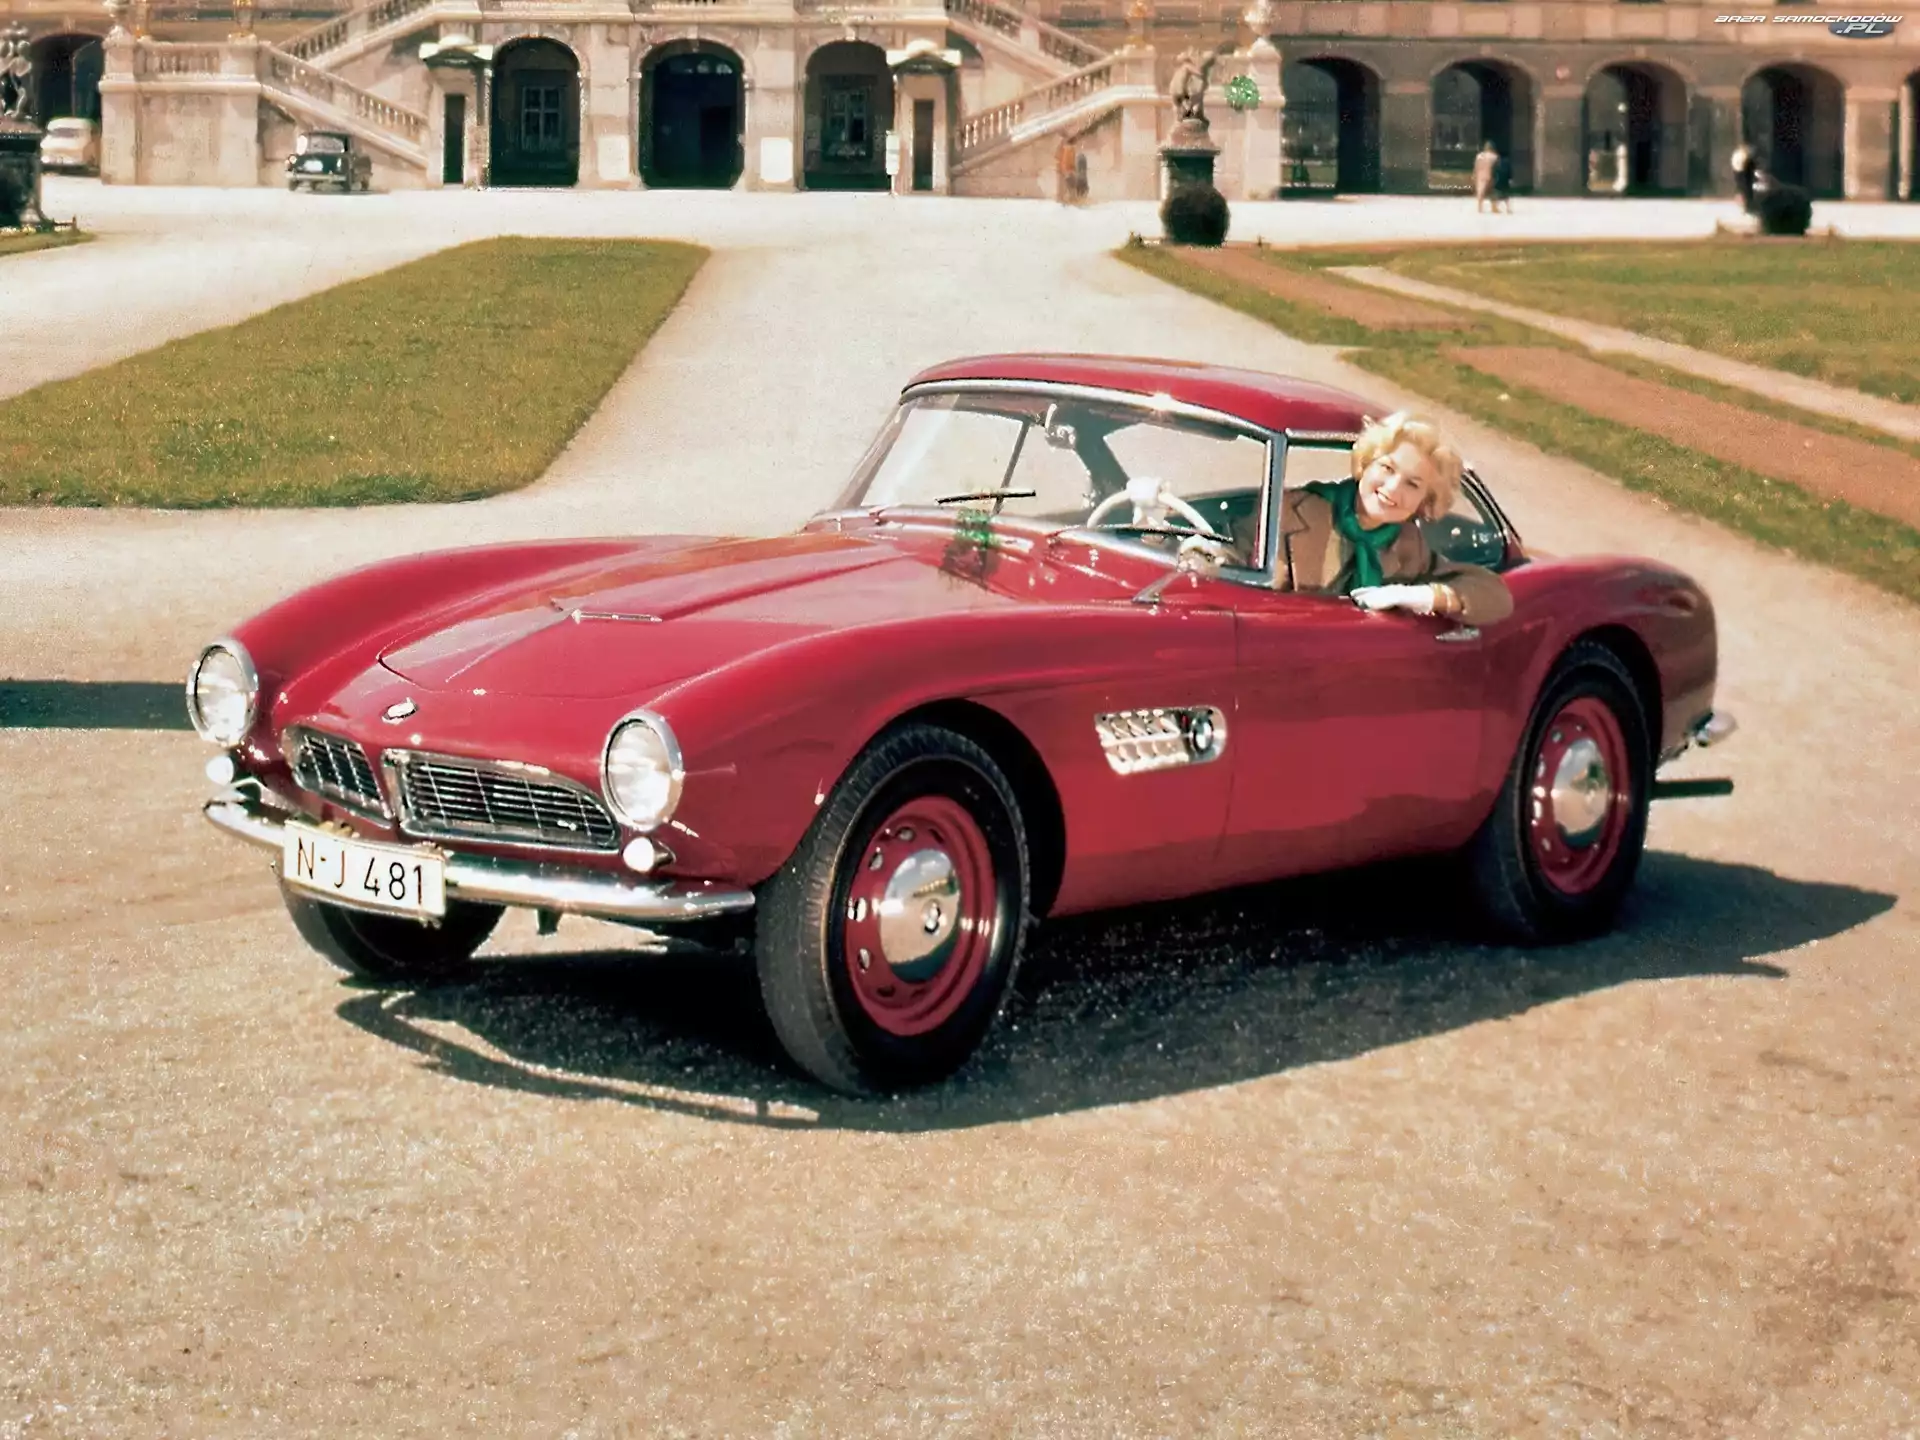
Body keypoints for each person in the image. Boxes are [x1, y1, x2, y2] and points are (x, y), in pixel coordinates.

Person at [1281, 412, 1514, 626]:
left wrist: (1425, 596)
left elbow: (1495, 595)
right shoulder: (1287, 511)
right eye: (1387, 468)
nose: (1392, 488)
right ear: (1367, 463)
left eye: (1412, 484)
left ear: (1424, 501)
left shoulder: (1410, 545)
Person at [1731, 143, 1757, 213]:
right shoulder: (1743, 155)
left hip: (1739, 172)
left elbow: (1735, 164)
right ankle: (1747, 207)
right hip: (1743, 173)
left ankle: (1745, 206)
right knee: (1746, 191)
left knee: (1741, 190)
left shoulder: (1737, 154)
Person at [1471, 141, 1497, 213]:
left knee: (1480, 192)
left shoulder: (1479, 156)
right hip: (1490, 175)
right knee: (1493, 191)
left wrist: (1474, 175)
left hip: (1480, 175)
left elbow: (1476, 166)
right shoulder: (1494, 156)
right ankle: (1494, 207)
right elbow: (1496, 167)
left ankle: (1480, 208)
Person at [1491, 148, 1514, 213]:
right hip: (1505, 180)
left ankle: (1495, 206)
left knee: (1497, 193)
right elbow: (1509, 172)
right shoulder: (1507, 162)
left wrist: (1493, 178)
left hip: (1498, 179)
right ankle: (1508, 208)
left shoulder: (1497, 162)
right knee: (1506, 195)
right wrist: (1510, 179)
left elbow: (1494, 171)